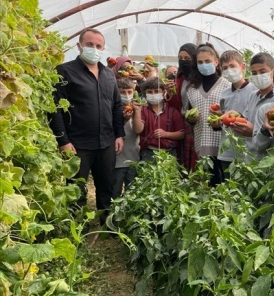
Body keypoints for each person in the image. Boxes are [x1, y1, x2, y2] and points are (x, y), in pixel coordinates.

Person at [48, 27, 124, 224]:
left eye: (99, 46)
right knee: (76, 187)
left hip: (106, 141)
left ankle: (107, 222)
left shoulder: (108, 75)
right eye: (90, 44)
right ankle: (76, 227)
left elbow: (116, 106)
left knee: (106, 184)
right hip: (77, 143)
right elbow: (55, 108)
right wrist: (63, 140)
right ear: (79, 46)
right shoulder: (65, 71)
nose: (94, 49)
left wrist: (119, 134)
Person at [182, 43, 230, 186]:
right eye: (200, 62)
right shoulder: (192, 89)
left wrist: (221, 118)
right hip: (201, 142)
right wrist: (191, 119)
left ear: (216, 62)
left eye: (208, 61)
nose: (204, 65)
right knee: (208, 183)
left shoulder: (226, 85)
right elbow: (189, 114)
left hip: (223, 142)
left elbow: (233, 113)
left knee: (224, 182)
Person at [211, 50, 256, 176]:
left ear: (242, 67)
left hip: (247, 150)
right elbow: (224, 120)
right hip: (227, 151)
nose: (228, 70)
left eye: (232, 66)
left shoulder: (254, 90)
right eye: (225, 68)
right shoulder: (225, 93)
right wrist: (217, 122)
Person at [132, 77, 185, 161]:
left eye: (156, 91)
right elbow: (138, 130)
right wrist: (137, 111)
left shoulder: (172, 111)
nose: (153, 94)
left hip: (169, 153)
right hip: (148, 152)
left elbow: (182, 133)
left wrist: (166, 134)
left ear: (163, 92)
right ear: (145, 94)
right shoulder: (143, 110)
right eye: (149, 92)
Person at [238, 52, 274, 160]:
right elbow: (246, 119)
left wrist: (254, 130)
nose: (258, 76)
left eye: (262, 72)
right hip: (250, 157)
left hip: (268, 159)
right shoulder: (253, 96)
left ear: (273, 72)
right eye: (254, 73)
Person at [166, 43, 198, 171]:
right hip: (183, 122)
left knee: (196, 158)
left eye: (187, 58)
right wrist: (170, 93)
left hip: (199, 123)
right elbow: (176, 104)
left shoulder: (200, 79)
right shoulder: (179, 79)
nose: (183, 61)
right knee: (184, 158)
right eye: (180, 58)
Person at [113, 78, 140, 195]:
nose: (126, 95)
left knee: (132, 193)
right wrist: (123, 120)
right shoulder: (112, 109)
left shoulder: (138, 109)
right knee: (115, 192)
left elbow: (139, 130)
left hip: (134, 157)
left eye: (129, 92)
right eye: (122, 92)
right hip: (117, 160)